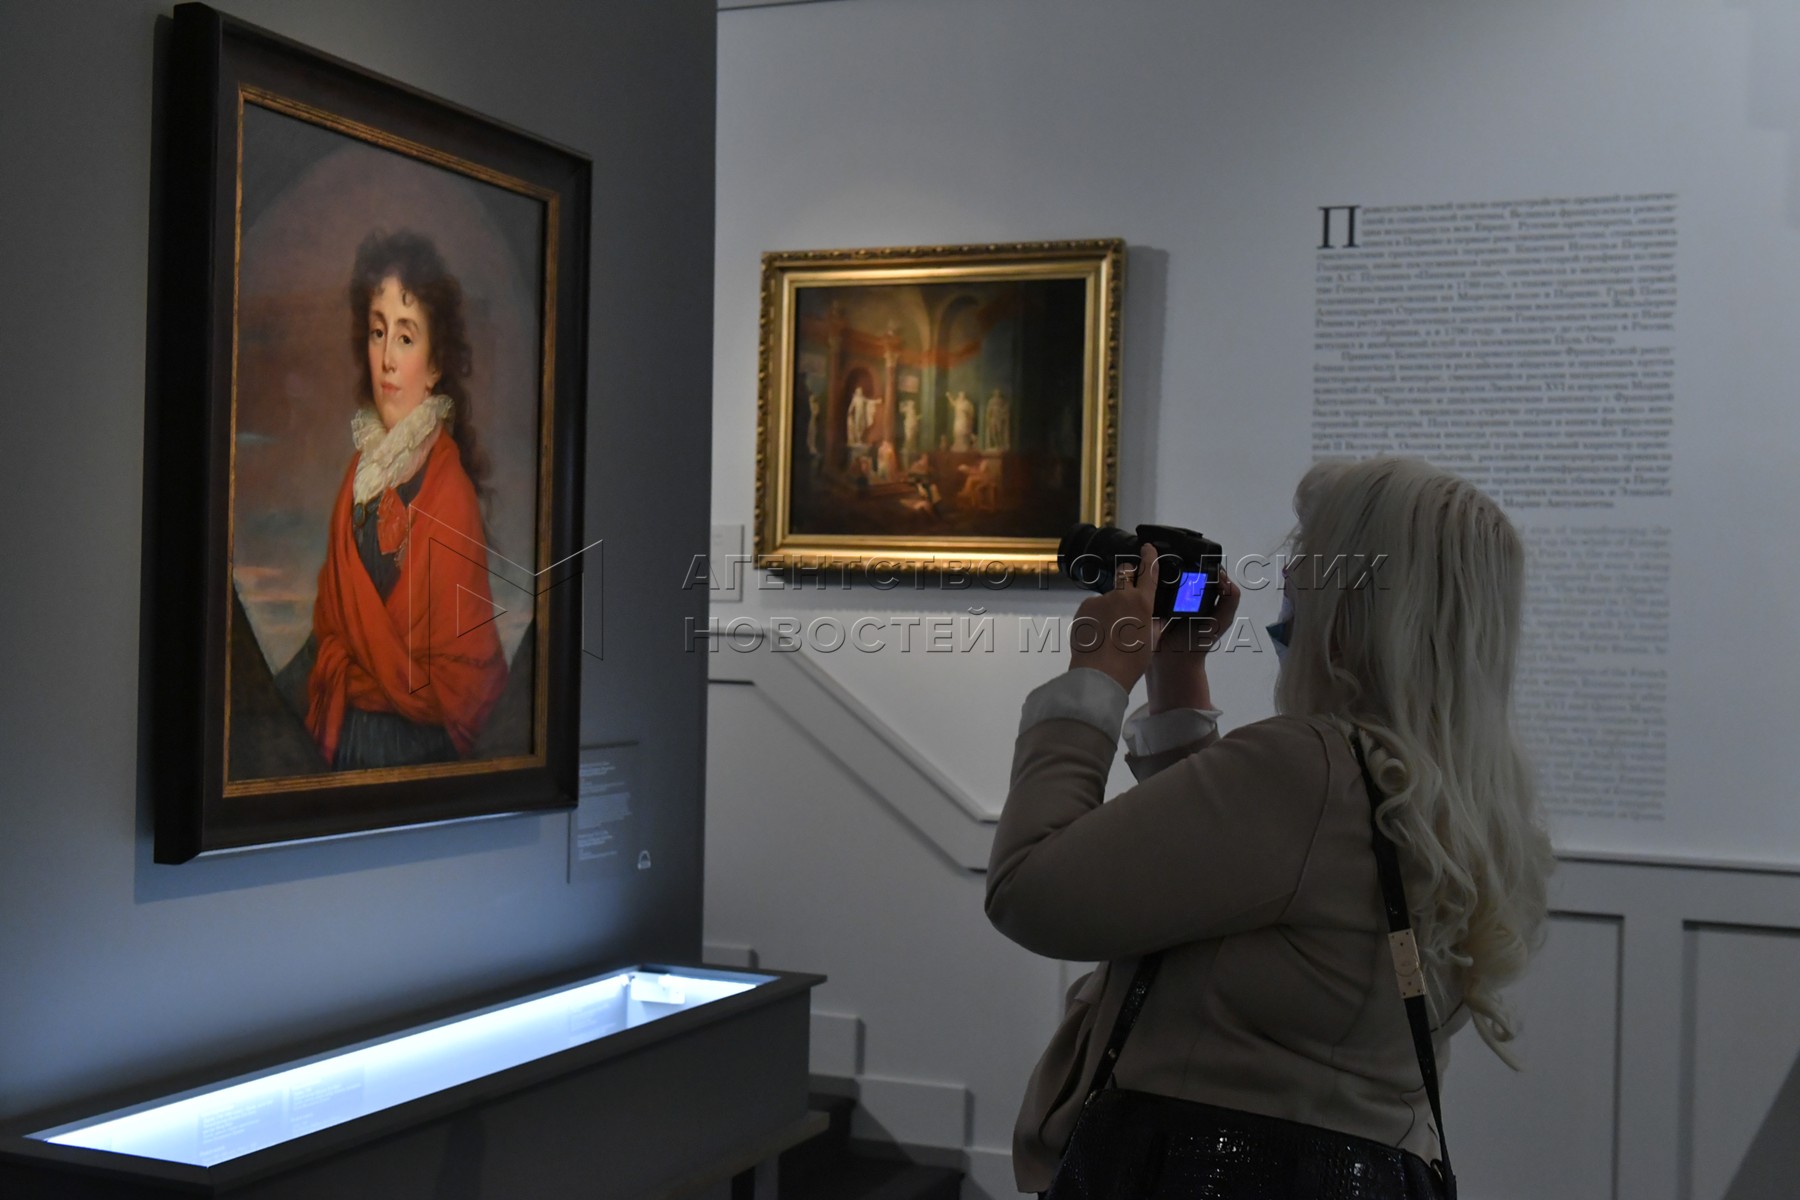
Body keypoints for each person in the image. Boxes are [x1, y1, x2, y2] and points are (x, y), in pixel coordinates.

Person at [985, 456, 1554, 1196]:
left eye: (1307, 551)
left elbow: (1030, 891)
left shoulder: (1311, 767)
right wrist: (1178, 669)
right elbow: (1233, 869)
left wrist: (1095, 677)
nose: (1285, 574)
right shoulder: (1445, 786)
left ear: (1357, 600)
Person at [303, 229, 509, 771]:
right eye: (378, 333)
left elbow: (462, 676)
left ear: (436, 365)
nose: (388, 359)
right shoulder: (359, 477)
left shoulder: (450, 494)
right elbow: (330, 628)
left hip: (417, 749)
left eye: (406, 337)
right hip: (346, 730)